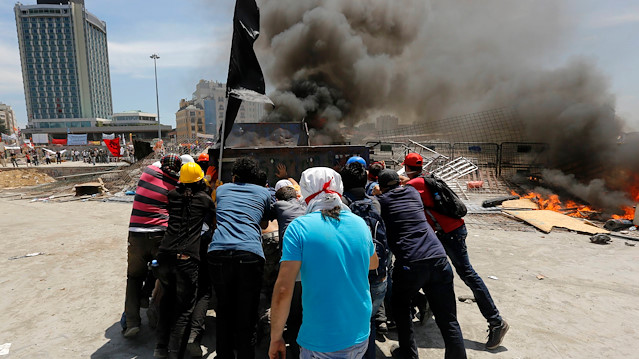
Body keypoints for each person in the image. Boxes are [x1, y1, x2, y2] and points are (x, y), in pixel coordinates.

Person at [269, 167, 378, 359]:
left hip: (322, 339)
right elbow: (373, 263)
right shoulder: (359, 223)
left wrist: (276, 337)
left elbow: (284, 289)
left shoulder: (299, 228)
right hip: (360, 333)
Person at [402, 153, 509, 350]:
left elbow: (402, 199)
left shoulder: (412, 186)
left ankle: (496, 321)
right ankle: (426, 304)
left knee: (467, 274)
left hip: (448, 234)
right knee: (434, 268)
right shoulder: (427, 178)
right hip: (452, 230)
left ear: (406, 167)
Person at [377, 169, 466, 359]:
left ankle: (408, 354)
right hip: (439, 260)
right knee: (448, 317)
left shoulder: (382, 202)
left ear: (381, 187)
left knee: (400, 306)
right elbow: (404, 182)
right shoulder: (412, 193)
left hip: (411, 263)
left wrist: (378, 192)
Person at [207, 157, 275, 359]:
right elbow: (263, 225)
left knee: (224, 309)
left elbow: (217, 217)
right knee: (247, 311)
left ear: (234, 176)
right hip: (250, 255)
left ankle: (224, 355)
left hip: (218, 253)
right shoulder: (263, 193)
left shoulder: (222, 190)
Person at [154, 162, 214, 359]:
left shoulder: (171, 196)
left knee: (166, 302)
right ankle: (174, 354)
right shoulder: (205, 200)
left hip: (164, 254)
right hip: (187, 258)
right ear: (199, 181)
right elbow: (213, 225)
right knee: (184, 309)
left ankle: (160, 348)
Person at [123, 154, 182, 338]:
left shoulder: (147, 172)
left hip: (136, 234)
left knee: (133, 278)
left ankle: (132, 322)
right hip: (160, 234)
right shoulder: (177, 184)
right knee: (165, 277)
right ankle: (162, 320)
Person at [340, 162, 389, 359]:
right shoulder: (375, 203)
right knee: (367, 324)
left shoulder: (341, 206)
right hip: (378, 277)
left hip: (354, 278)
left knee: (348, 325)